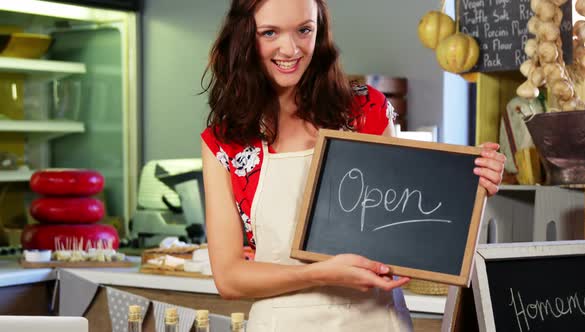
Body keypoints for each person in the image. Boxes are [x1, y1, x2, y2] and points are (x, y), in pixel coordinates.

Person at [200, 0, 505, 331]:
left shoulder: (365, 110)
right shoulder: (225, 142)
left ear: (320, 31)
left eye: (304, 30)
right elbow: (229, 278)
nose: (290, 49)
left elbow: (410, 222)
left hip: (376, 320)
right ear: (245, 35)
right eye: (270, 32)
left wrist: (470, 185)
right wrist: (320, 273)